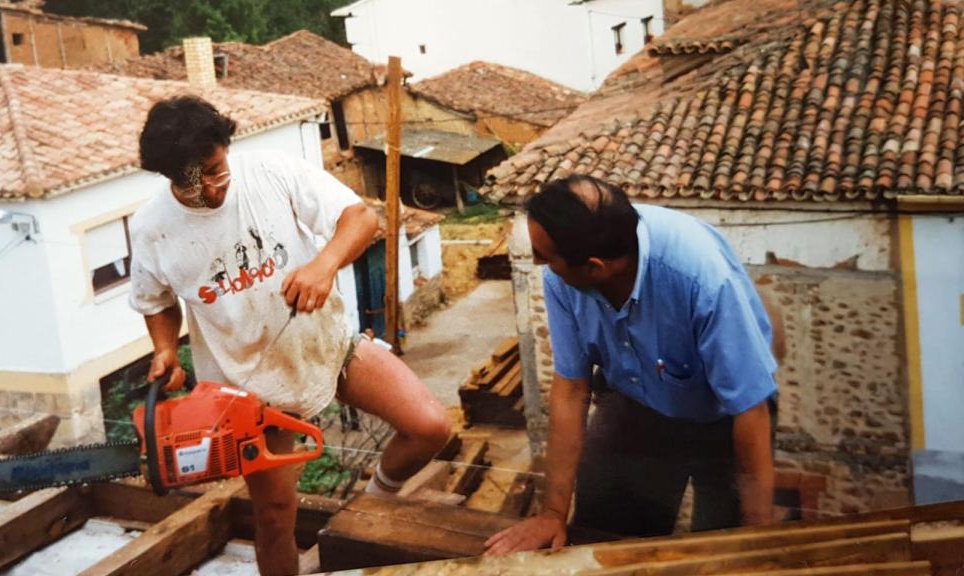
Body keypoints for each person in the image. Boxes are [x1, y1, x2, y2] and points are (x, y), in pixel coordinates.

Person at [129, 95, 450, 576]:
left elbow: (360, 219)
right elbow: (156, 301)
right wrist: (166, 350)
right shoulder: (152, 227)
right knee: (275, 517)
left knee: (430, 427)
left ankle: (370, 501)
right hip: (251, 393)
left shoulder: (271, 171)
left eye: (217, 170)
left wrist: (324, 265)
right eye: (195, 183)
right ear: (171, 176)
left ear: (224, 149)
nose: (213, 190)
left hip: (327, 346)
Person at [485, 175, 778, 555]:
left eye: (544, 257)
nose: (537, 263)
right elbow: (571, 389)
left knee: (725, 548)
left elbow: (750, 408)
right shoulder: (564, 277)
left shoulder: (701, 278)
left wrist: (758, 538)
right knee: (602, 536)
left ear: (594, 267)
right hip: (637, 401)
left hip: (729, 416)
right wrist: (553, 511)